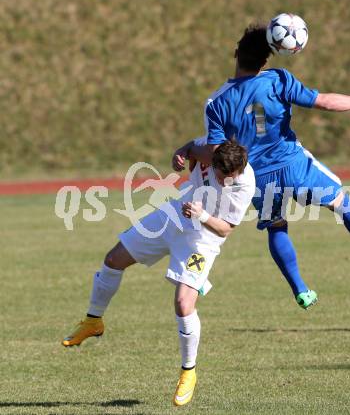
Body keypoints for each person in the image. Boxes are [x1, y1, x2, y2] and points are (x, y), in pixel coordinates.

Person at [172, 24, 350, 310]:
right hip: (293, 164)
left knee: (276, 227)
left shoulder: (217, 102)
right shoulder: (278, 80)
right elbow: (324, 102)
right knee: (340, 202)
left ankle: (301, 290)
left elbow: (216, 153)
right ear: (268, 59)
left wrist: (190, 148)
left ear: (235, 53)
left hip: (257, 177)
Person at [62, 138, 255, 406]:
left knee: (183, 304)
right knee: (113, 259)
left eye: (229, 177)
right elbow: (190, 148)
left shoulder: (244, 184)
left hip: (203, 239)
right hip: (173, 216)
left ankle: (188, 372)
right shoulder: (209, 151)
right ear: (213, 162)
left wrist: (202, 215)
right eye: (221, 176)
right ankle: (93, 321)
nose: (224, 182)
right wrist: (179, 153)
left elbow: (226, 229)